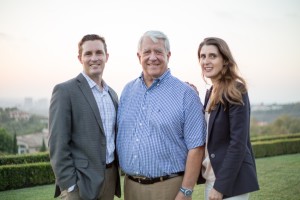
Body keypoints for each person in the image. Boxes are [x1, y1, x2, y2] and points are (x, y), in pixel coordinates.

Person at [116, 30, 206, 200]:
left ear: (168, 55)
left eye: (158, 52)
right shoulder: (127, 91)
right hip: (131, 188)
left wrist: (186, 191)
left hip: (169, 188)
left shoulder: (185, 94)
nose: (153, 57)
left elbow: (197, 147)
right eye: (147, 52)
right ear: (138, 56)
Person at [48, 34, 121, 200]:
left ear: (106, 57)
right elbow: (57, 144)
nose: (94, 58)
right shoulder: (65, 91)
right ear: (80, 58)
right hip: (80, 183)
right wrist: (70, 186)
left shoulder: (113, 95)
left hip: (109, 179)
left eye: (99, 53)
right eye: (88, 54)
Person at [197, 37, 259, 200]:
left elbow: (238, 143)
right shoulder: (210, 92)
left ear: (224, 60)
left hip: (230, 182)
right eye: (202, 56)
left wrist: (221, 186)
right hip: (212, 177)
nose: (206, 61)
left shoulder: (236, 89)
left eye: (212, 56)